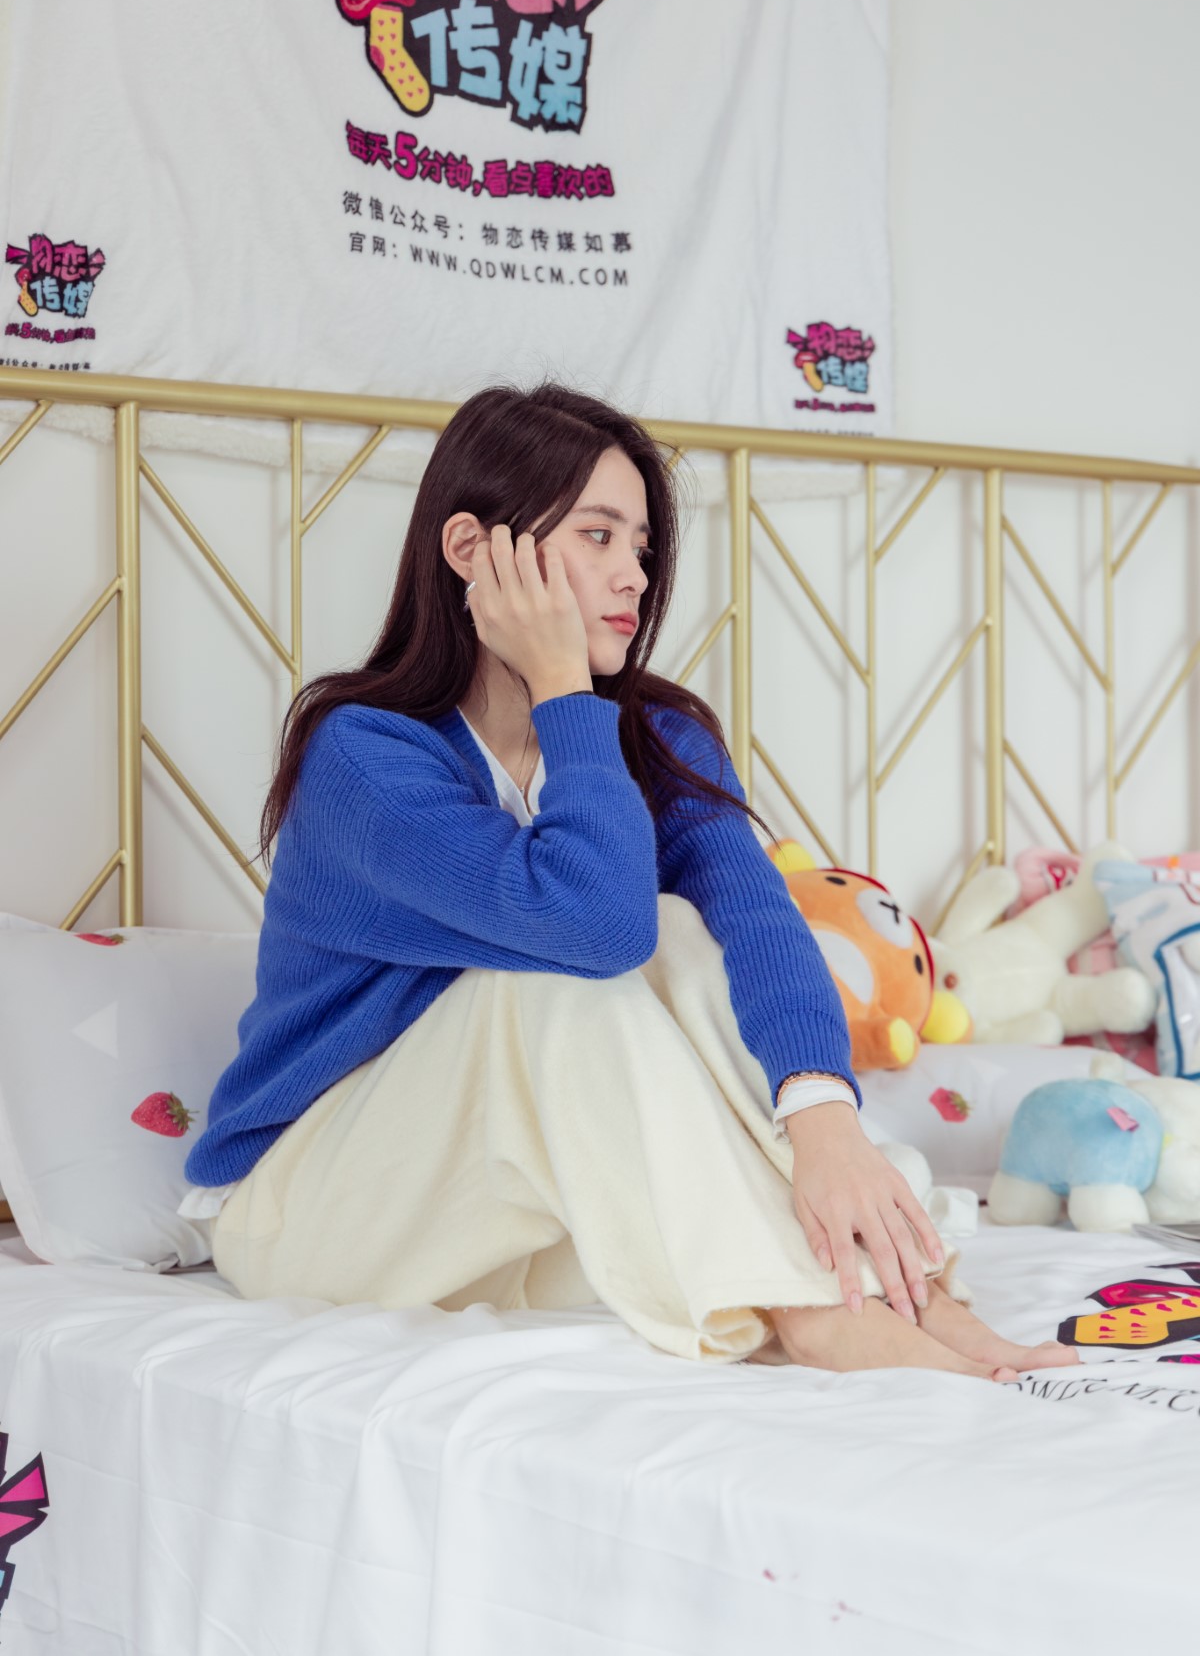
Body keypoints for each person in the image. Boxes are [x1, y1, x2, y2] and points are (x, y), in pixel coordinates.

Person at [182, 382, 1078, 1382]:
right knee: (554, 979)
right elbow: (596, 925)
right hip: (313, 1209)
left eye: (642, 546)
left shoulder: (658, 737)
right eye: (599, 535)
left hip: (498, 1213)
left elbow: (756, 918)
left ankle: (910, 1293)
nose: (635, 576)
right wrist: (564, 687)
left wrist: (826, 1122)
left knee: (694, 935)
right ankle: (822, 1312)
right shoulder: (363, 758)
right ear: (473, 549)